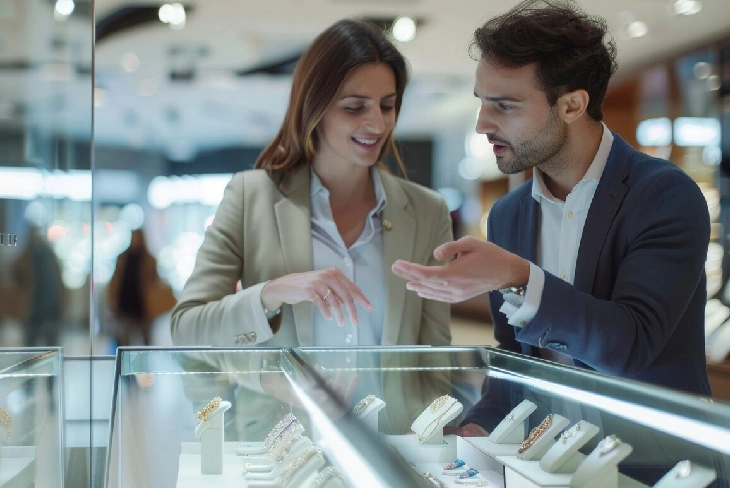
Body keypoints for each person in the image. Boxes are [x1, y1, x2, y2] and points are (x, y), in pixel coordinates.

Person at [392, 0, 712, 415]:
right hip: (545, 458)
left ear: (572, 105)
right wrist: (477, 427)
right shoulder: (508, 214)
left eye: (504, 105)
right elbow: (515, 356)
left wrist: (517, 276)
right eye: (482, 101)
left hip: (653, 469)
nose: (482, 124)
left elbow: (630, 346)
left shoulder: (665, 195)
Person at [170, 19, 453, 437]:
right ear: (314, 107)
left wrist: (433, 442)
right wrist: (271, 293)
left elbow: (435, 359)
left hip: (393, 450)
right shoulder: (251, 197)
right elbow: (187, 330)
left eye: (387, 105)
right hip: (280, 450)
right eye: (355, 106)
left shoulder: (428, 211)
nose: (377, 123)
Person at [106, 228, 175, 347]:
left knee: (146, 342)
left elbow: (155, 282)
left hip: (143, 308)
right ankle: (126, 365)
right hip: (126, 307)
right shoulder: (123, 258)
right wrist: (113, 302)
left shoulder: (149, 259)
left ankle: (145, 365)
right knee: (125, 342)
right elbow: (116, 281)